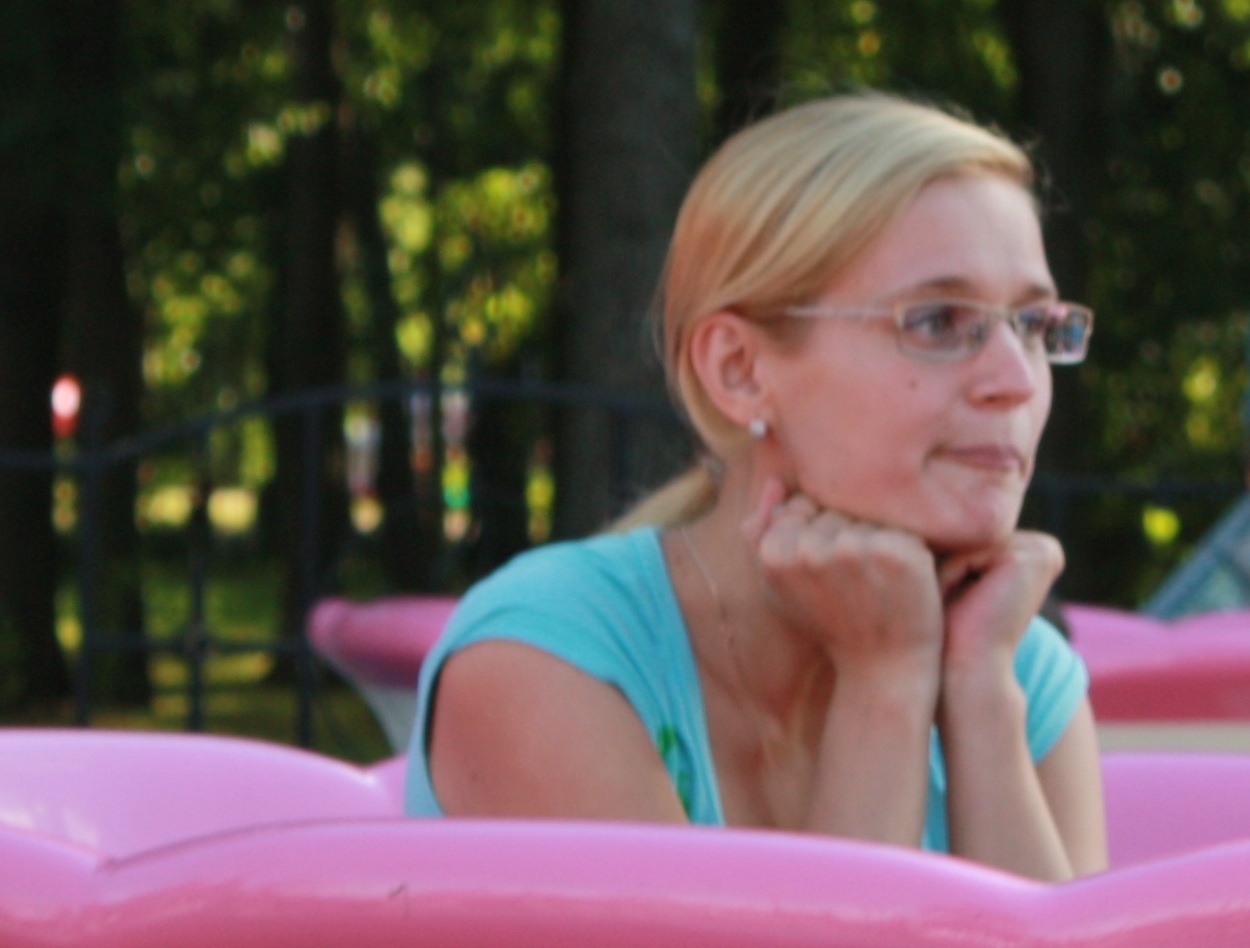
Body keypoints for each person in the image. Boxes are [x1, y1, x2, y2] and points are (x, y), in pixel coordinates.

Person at [405, 91, 1108, 881]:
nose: (1017, 380)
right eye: (938, 321)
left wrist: (978, 694)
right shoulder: (546, 661)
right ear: (739, 371)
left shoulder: (1012, 666)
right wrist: (883, 686)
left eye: (1035, 327)